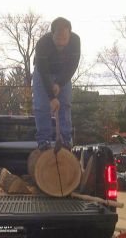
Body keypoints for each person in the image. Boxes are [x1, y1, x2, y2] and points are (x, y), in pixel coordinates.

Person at [33, 17, 81, 151]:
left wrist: (59, 84)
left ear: (69, 34)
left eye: (64, 39)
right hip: (43, 72)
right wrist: (52, 97)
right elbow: (43, 71)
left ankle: (66, 140)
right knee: (41, 106)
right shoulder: (42, 43)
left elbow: (72, 66)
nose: (61, 44)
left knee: (65, 104)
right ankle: (44, 141)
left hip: (64, 73)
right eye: (58, 40)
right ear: (52, 34)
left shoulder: (76, 41)